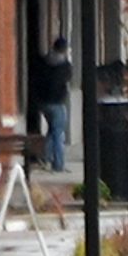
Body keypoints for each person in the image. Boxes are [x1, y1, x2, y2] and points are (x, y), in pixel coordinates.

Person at [27, 37, 72, 172]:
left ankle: (45, 157)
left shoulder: (44, 62)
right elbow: (67, 79)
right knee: (58, 132)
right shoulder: (65, 66)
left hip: (43, 102)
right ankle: (58, 164)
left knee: (53, 130)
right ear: (64, 49)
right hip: (57, 102)